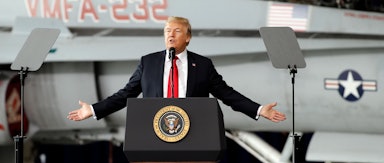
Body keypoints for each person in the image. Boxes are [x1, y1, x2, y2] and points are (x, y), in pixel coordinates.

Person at [67, 16, 286, 123]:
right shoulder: (148, 62)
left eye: (177, 31)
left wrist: (258, 109)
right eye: (167, 31)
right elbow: (126, 94)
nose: (170, 35)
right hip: (155, 133)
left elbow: (226, 94)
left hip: (194, 132)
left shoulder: (202, 65)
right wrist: (94, 110)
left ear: (188, 37)